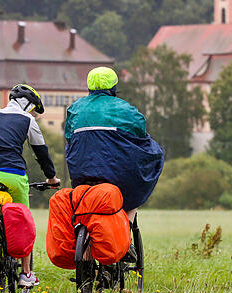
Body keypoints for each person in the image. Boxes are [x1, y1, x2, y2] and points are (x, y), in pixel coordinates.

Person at [0, 83, 60, 287]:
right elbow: (41, 152)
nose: (32, 113)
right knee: (23, 220)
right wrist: (51, 178)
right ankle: (26, 273)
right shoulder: (27, 119)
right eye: (32, 108)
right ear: (27, 103)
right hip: (13, 175)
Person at [64, 67, 164, 222]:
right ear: (114, 86)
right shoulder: (126, 109)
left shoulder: (75, 109)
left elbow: (69, 138)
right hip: (118, 176)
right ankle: (127, 232)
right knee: (132, 196)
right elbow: (140, 135)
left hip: (81, 175)